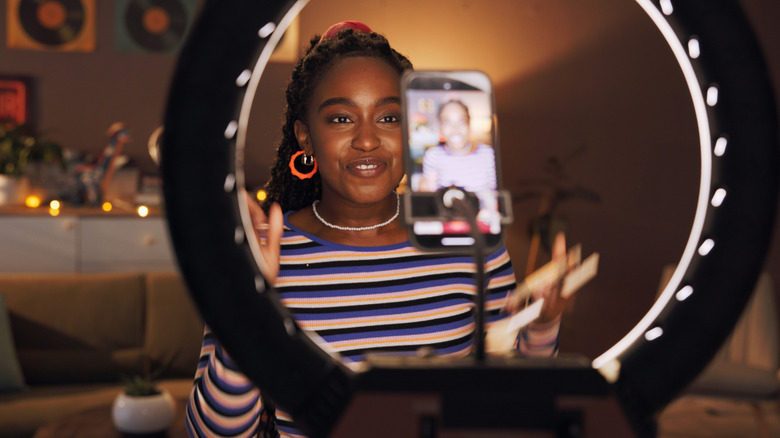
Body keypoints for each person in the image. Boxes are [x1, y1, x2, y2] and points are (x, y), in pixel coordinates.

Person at [186, 22, 568, 438]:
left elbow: (512, 400)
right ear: (305, 138)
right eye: (340, 118)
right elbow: (213, 434)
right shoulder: (261, 255)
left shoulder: (468, 238)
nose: (367, 140)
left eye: (388, 116)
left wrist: (541, 326)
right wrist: (245, 301)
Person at [418, 99, 496, 194]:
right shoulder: (433, 155)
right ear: (440, 128)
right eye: (447, 123)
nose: (455, 129)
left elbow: (495, 195)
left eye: (461, 122)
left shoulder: (488, 154)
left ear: (469, 124)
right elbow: (428, 191)